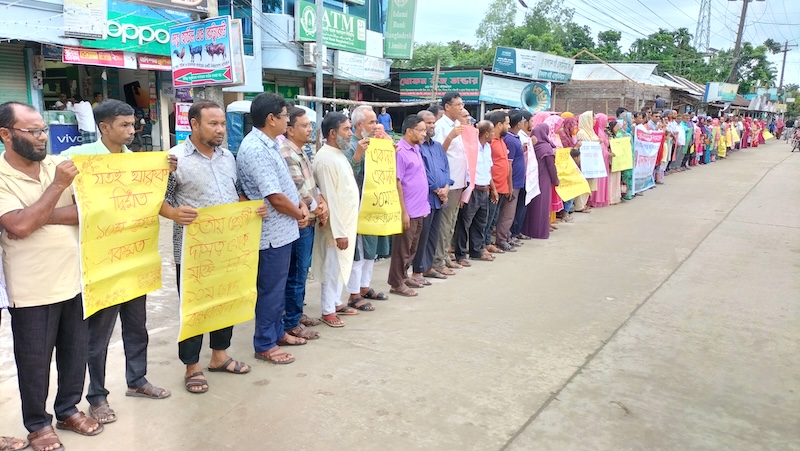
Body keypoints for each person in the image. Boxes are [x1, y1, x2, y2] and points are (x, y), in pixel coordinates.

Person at [61, 99, 173, 424]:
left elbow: (149, 201)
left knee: (137, 328)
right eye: (123, 125)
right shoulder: (80, 161)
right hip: (102, 263)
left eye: (132, 124)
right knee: (98, 336)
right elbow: (72, 206)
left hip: (134, 259)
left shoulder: (137, 162)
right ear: (104, 127)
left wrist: (163, 174)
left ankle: (137, 380)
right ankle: (97, 397)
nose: (131, 130)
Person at [0, 101, 103, 451]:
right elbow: (17, 225)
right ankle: (38, 424)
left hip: (74, 280)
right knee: (35, 363)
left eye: (43, 129)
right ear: (6, 135)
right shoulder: (3, 176)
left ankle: (68, 410)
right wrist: (55, 192)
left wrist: (36, 215)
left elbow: (85, 211)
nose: (43, 137)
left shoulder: (55, 166)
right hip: (31, 288)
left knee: (75, 353)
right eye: (32, 131)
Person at [163, 100, 266, 394]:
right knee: (195, 307)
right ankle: (192, 366)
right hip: (193, 250)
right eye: (213, 124)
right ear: (194, 124)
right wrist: (173, 214)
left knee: (226, 301)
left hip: (229, 246)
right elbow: (158, 200)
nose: (221, 130)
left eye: (222, 124)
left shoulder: (227, 158)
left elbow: (234, 194)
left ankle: (220, 355)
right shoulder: (175, 159)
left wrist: (251, 209)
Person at [237, 93, 309, 365]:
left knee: (278, 290)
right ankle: (265, 343)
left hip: (283, 231)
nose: (287, 121)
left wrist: (300, 205)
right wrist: (300, 212)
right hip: (270, 235)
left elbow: (284, 184)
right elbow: (274, 197)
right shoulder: (256, 148)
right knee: (270, 290)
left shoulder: (271, 143)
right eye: (284, 117)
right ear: (271, 119)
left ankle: (277, 333)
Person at [280, 106, 328, 338]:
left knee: (300, 272)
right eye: (305, 125)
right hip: (299, 220)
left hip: (308, 217)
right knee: (296, 274)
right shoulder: (287, 152)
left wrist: (320, 203)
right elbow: (297, 188)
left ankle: (296, 314)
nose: (310, 129)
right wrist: (317, 207)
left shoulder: (300, 150)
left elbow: (311, 185)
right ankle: (291, 321)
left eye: (310, 125)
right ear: (290, 129)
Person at [311, 112, 361, 327]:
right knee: (332, 268)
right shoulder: (325, 159)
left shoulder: (338, 153)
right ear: (333, 133)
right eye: (346, 129)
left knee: (341, 266)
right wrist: (339, 232)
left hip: (347, 222)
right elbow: (330, 197)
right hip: (335, 226)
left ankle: (336, 302)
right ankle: (328, 310)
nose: (351, 133)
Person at [344, 105, 390, 309]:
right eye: (371, 122)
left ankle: (364, 286)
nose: (375, 126)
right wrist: (358, 155)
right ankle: (353, 294)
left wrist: (388, 149)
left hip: (373, 204)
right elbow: (346, 177)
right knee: (359, 251)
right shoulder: (350, 145)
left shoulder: (375, 143)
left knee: (371, 249)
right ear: (359, 125)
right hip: (357, 207)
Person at [388, 115, 431, 297]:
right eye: (420, 130)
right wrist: (403, 211)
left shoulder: (416, 149)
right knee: (402, 248)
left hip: (420, 207)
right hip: (409, 209)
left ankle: (404, 276)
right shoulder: (400, 151)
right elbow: (397, 182)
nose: (424, 133)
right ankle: (396, 282)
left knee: (413, 247)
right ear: (409, 131)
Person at [410, 110, 452, 283]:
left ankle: (428, 267)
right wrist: (437, 189)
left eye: (434, 122)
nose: (432, 126)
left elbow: (446, 167)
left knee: (434, 234)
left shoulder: (436, 147)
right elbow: (423, 173)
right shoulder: (417, 147)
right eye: (428, 123)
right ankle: (418, 270)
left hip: (441, 198)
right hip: (426, 197)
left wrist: (447, 188)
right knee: (422, 236)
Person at [432, 93, 468, 272]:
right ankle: (437, 261)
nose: (461, 108)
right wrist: (450, 137)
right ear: (447, 106)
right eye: (458, 105)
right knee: (445, 223)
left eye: (462, 105)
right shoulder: (441, 126)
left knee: (451, 221)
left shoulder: (456, 125)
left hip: (458, 180)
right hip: (448, 182)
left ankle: (445, 255)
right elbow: (438, 153)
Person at [454, 120, 497, 266]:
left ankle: (476, 250)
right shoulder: (472, 148)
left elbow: (488, 170)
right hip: (472, 189)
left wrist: (493, 189)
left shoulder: (488, 148)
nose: (493, 134)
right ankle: (460, 255)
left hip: (484, 189)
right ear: (486, 134)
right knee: (464, 224)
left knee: (480, 223)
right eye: (492, 132)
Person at [521, 123, 559, 239]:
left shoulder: (533, 145)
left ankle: (527, 230)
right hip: (543, 179)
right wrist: (556, 180)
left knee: (531, 205)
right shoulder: (546, 148)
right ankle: (539, 231)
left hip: (531, 178)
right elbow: (551, 167)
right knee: (541, 206)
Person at [484, 111, 513, 253]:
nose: (508, 126)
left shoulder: (501, 141)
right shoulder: (490, 144)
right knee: (487, 218)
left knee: (494, 218)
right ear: (499, 125)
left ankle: (488, 242)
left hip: (502, 187)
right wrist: (493, 188)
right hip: (493, 187)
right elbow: (488, 167)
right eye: (507, 124)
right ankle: (484, 244)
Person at [502, 110, 525, 248]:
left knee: (511, 213)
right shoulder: (510, 140)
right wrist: (510, 185)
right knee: (507, 214)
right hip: (513, 181)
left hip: (517, 181)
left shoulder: (515, 138)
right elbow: (509, 164)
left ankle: (507, 236)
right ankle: (503, 239)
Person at [511, 110, 533, 241]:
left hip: (524, 177)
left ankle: (516, 232)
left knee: (521, 206)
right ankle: (512, 233)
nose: (533, 124)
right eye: (531, 121)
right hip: (517, 178)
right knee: (513, 209)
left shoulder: (521, 137)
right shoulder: (515, 138)